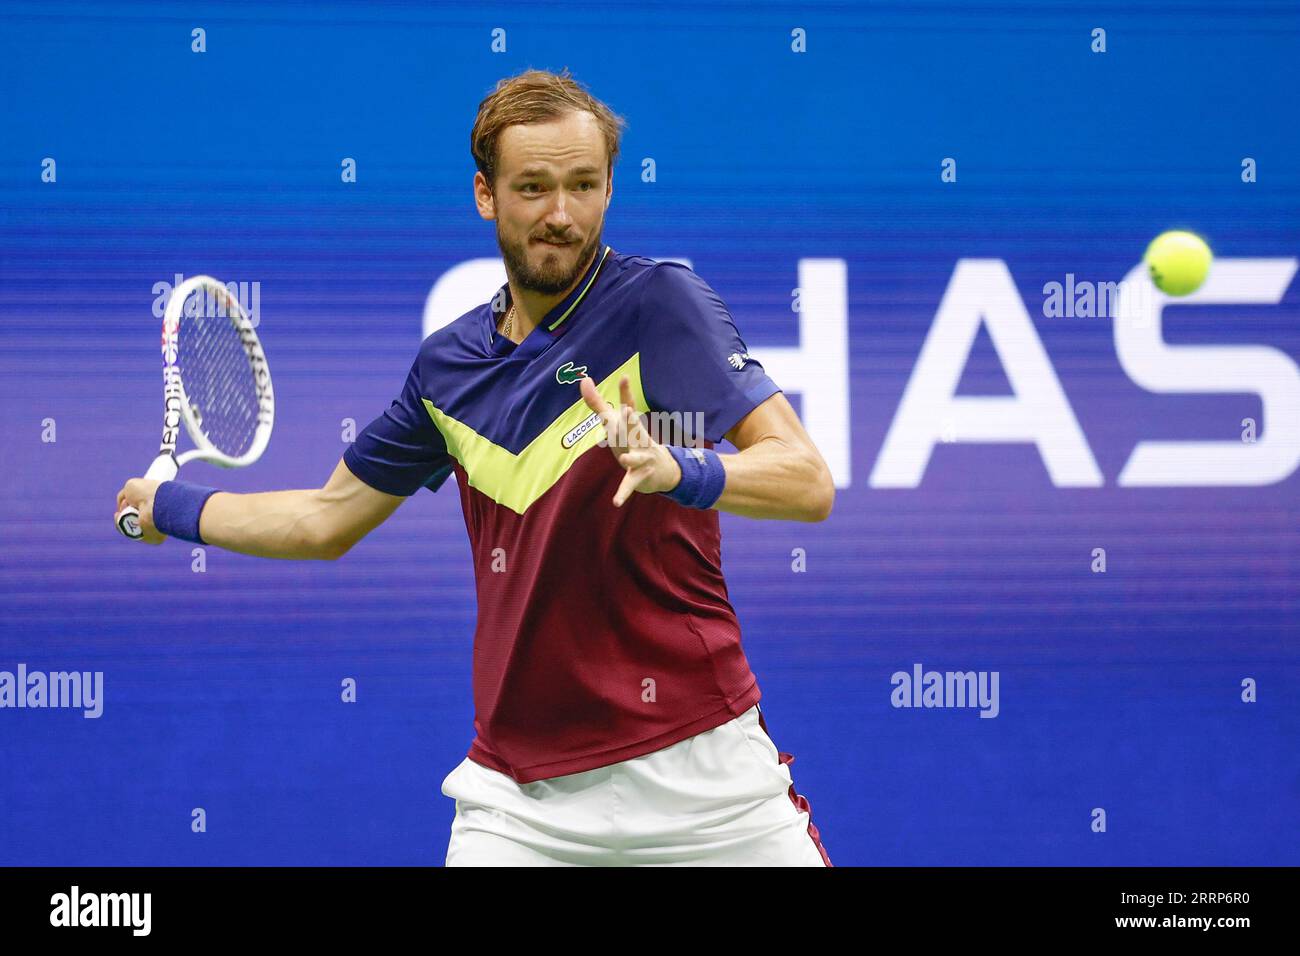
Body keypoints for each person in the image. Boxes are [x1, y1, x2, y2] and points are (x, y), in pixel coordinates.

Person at [115, 68, 836, 866]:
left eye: (584, 186)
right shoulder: (447, 369)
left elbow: (806, 479)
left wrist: (682, 470)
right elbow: (325, 520)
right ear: (485, 196)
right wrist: (171, 507)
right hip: (521, 808)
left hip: (708, 784)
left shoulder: (660, 304)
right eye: (532, 187)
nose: (561, 215)